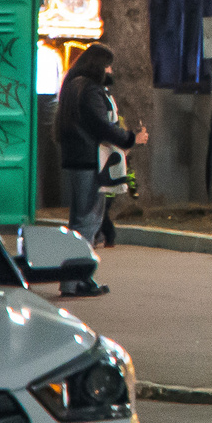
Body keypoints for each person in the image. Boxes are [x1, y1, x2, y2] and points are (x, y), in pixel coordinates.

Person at [55, 45, 145, 296]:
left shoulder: (72, 85)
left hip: (75, 159)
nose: (111, 71)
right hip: (91, 160)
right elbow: (101, 126)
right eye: (108, 66)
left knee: (79, 221)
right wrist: (130, 138)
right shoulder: (90, 90)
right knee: (88, 222)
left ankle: (71, 278)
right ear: (97, 66)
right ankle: (76, 280)